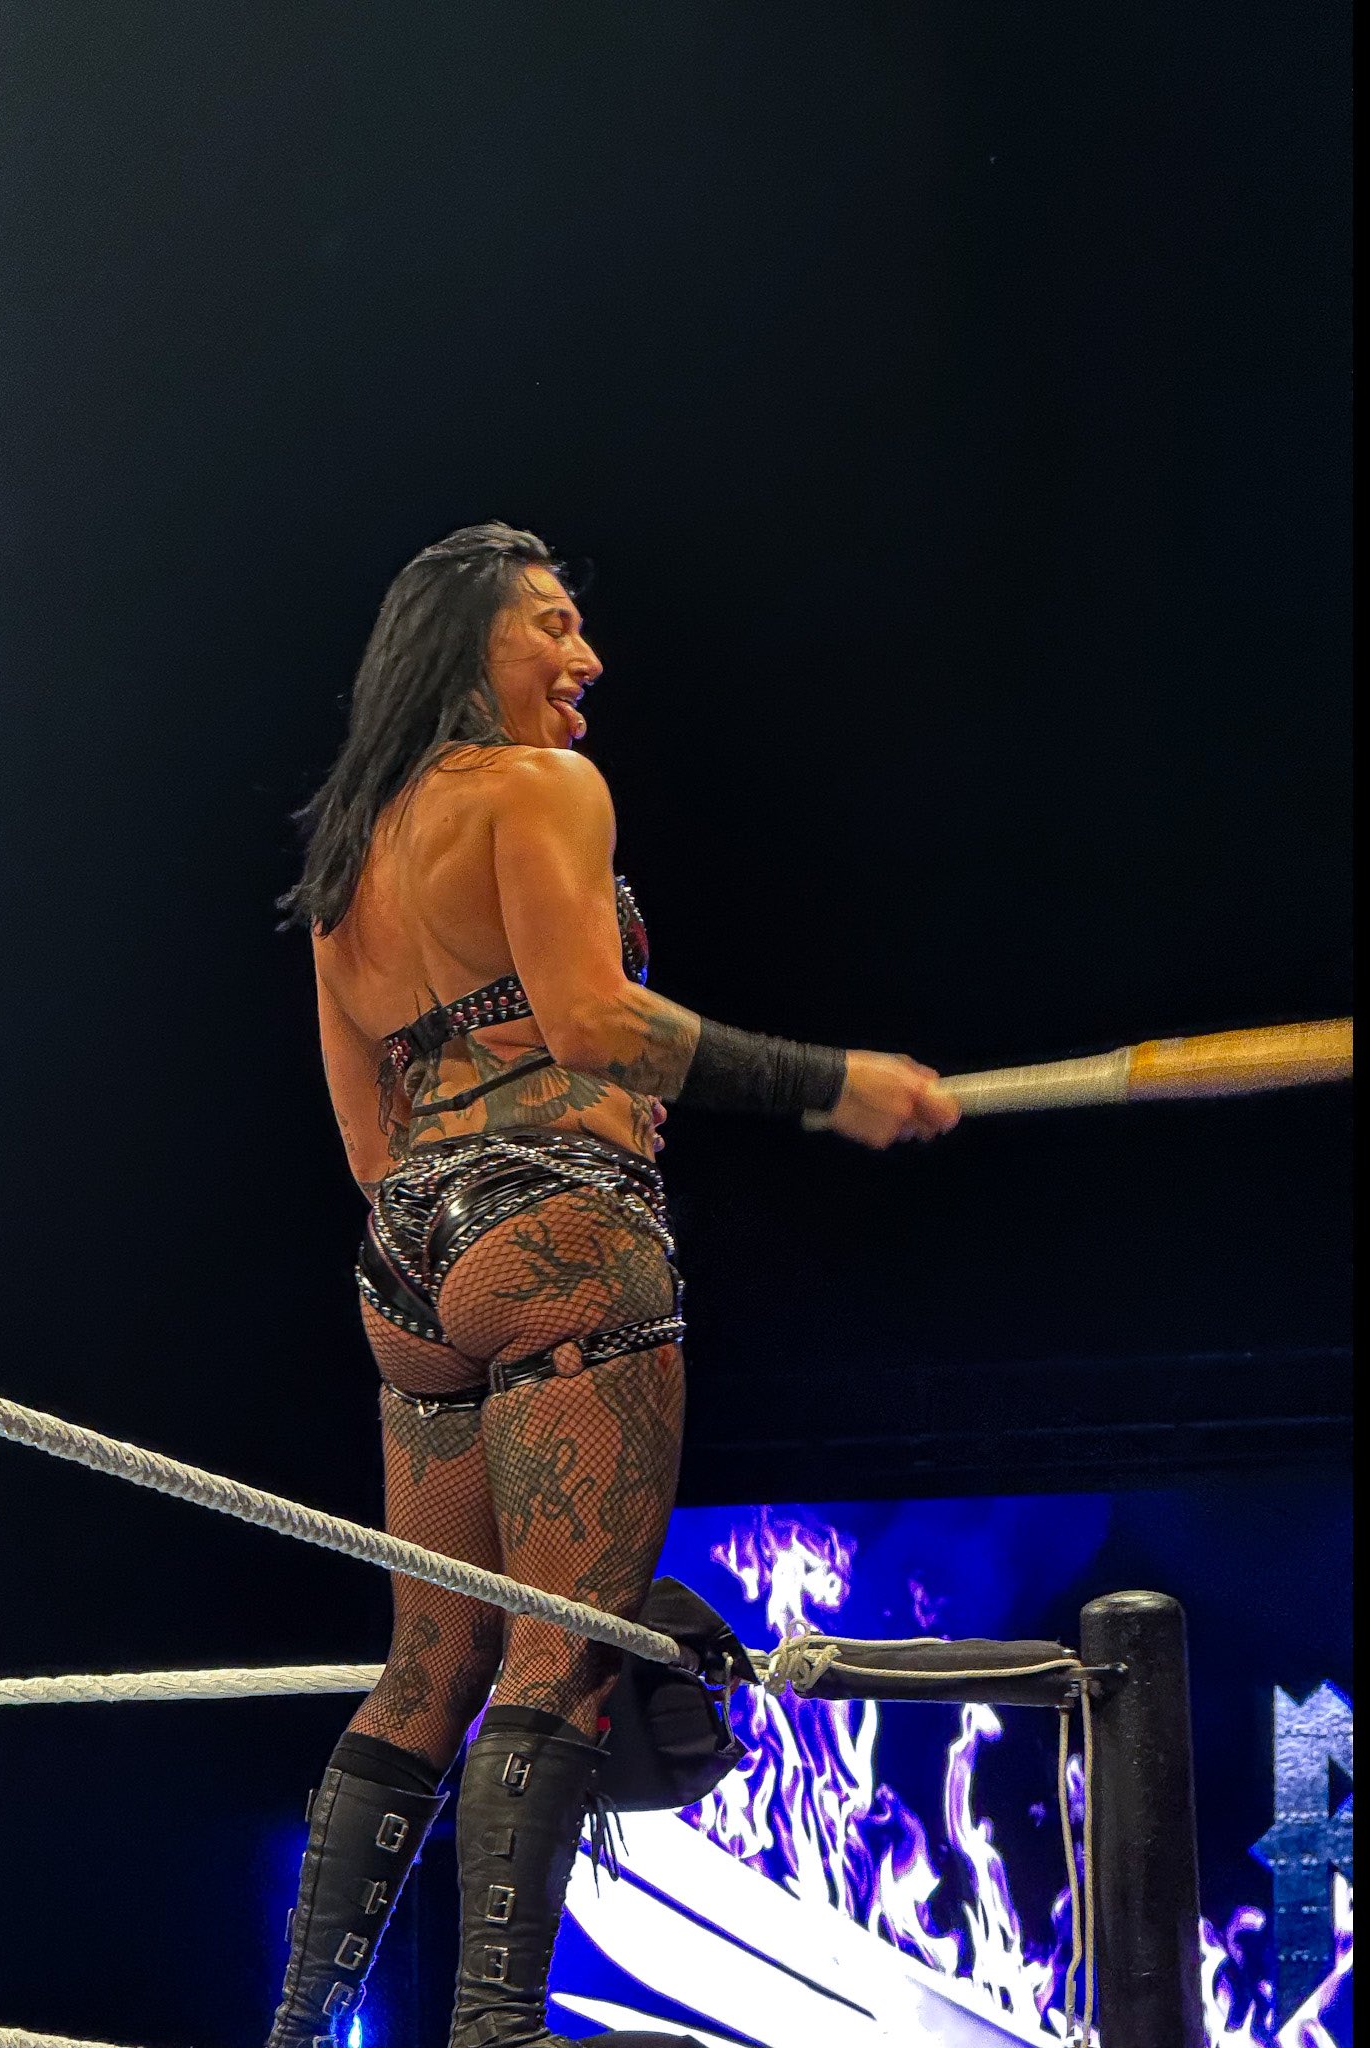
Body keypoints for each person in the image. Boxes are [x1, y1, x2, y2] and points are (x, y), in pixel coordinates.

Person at [269, 522, 959, 2048]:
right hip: (554, 1244)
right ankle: (495, 2031)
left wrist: (508, 1154)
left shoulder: (346, 865)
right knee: (554, 1650)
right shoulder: (540, 788)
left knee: (424, 1669)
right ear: (467, 645)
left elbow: (372, 1147)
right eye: (552, 625)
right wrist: (829, 1083)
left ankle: (297, 2030)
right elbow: (592, 1021)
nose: (585, 657)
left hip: (409, 1269)